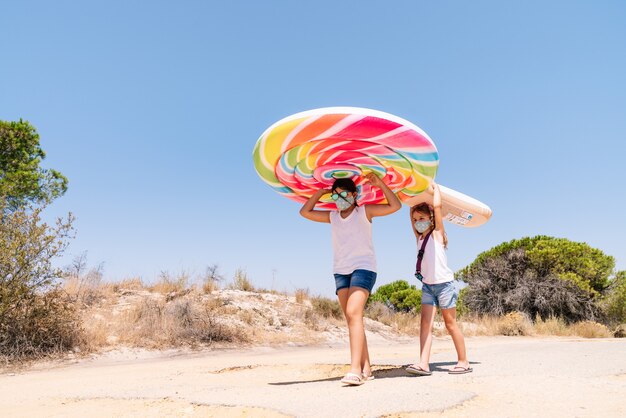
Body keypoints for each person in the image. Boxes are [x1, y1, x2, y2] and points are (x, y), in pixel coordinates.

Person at [300, 173, 401, 385]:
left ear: (354, 195)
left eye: (344, 194)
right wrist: (321, 192)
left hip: (364, 267)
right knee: (351, 318)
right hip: (341, 270)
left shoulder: (365, 211)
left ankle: (355, 369)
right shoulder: (333, 216)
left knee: (354, 313)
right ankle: (366, 367)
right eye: (335, 196)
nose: (339, 199)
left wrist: (379, 183)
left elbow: (395, 206)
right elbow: (305, 212)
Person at [406, 182, 472, 376]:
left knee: (450, 324)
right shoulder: (418, 238)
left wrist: (436, 192)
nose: (418, 221)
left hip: (444, 286)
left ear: (431, 220)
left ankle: (463, 361)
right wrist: (410, 187)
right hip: (428, 286)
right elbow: (410, 210)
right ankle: (423, 363)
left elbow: (437, 208)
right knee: (425, 324)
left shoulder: (437, 235)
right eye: (416, 219)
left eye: (422, 218)